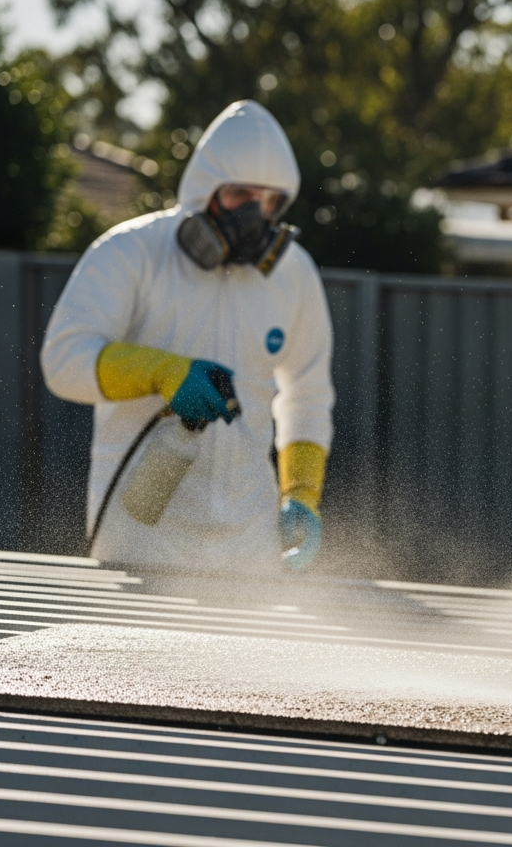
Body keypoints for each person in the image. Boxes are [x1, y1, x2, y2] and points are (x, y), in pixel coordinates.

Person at [42, 100, 334, 574]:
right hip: (141, 536)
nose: (255, 214)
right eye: (241, 194)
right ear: (206, 189)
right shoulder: (132, 252)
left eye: (271, 201)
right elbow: (64, 360)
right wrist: (162, 373)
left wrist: (301, 492)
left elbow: (308, 395)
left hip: (248, 543)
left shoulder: (293, 274)